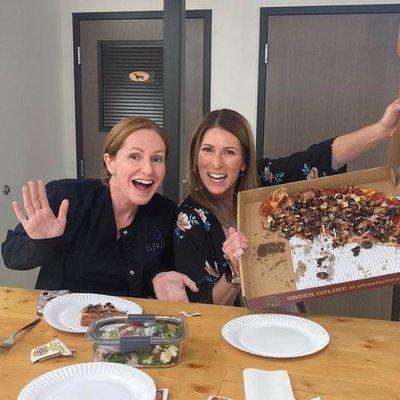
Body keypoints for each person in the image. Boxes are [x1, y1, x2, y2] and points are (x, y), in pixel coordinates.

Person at [173, 98, 400, 306]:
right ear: (196, 155)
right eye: (208, 150)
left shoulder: (263, 178)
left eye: (229, 152)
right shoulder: (188, 217)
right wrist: (235, 271)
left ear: (244, 161)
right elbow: (202, 306)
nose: (216, 163)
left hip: (288, 309)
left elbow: (319, 159)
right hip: (236, 331)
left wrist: (382, 129)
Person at [1, 117, 197, 301]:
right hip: (61, 323)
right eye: (134, 156)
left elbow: (160, 269)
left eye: (157, 159)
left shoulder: (165, 212)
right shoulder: (66, 197)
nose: (148, 169)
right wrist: (41, 243)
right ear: (110, 162)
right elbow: (11, 256)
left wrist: (158, 277)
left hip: (128, 327)